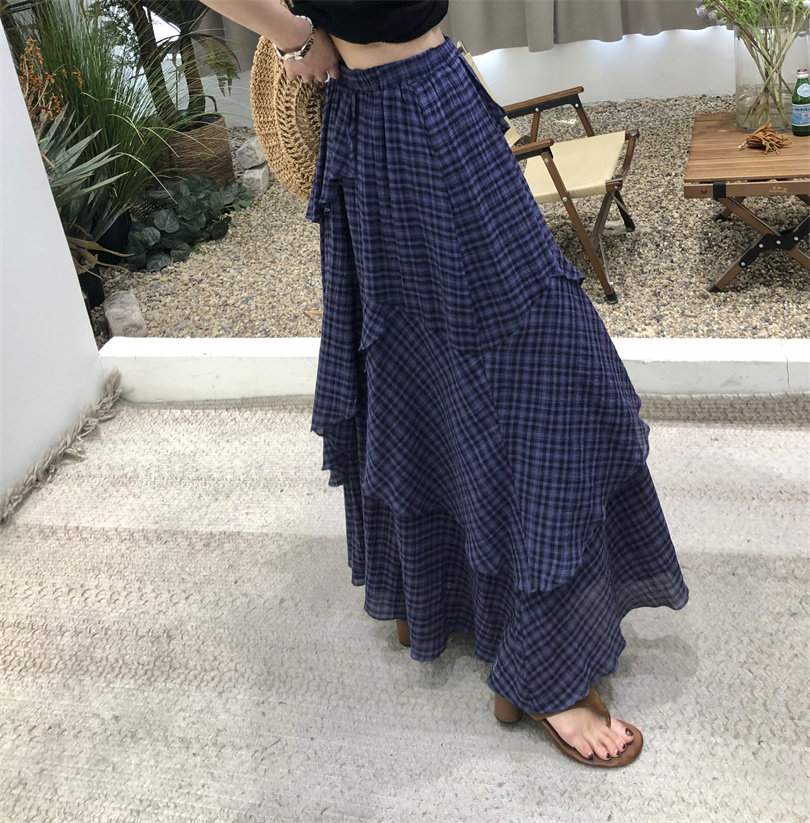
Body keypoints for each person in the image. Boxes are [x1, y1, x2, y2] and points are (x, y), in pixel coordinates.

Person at [199, 0, 688, 768]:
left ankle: (433, 590)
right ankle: (542, 662)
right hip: (405, 114)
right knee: (538, 361)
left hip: (433, 99)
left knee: (432, 366)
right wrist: (293, 35)